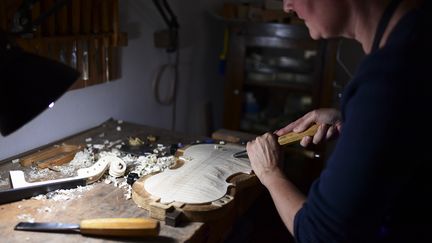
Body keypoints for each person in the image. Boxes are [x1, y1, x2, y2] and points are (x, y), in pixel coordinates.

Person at [246, 0, 432, 242]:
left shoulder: (393, 74)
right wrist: (353, 118)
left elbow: (320, 234)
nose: (287, 7)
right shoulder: (417, 29)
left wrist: (270, 173)